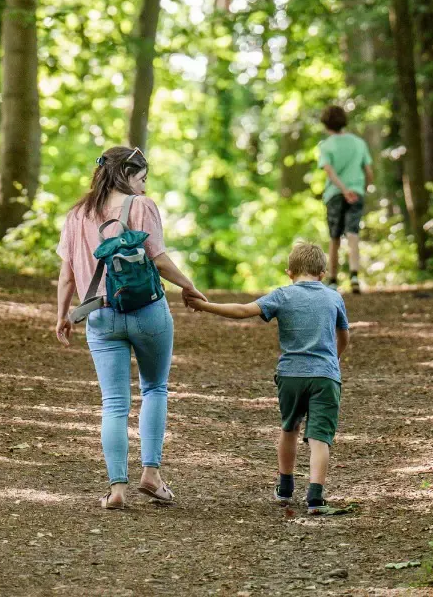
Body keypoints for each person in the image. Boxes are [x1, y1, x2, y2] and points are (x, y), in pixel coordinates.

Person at [54, 145, 204, 510]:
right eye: (142, 178)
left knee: (114, 403)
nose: (145, 186)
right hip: (148, 311)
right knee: (154, 388)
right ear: (127, 174)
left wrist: (61, 315)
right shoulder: (141, 207)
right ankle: (151, 475)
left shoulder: (77, 215)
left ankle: (117, 488)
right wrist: (188, 285)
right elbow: (159, 257)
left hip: (100, 316)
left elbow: (67, 275)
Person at [186, 241, 349, 514]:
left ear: (289, 272)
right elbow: (343, 336)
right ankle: (315, 498)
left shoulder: (282, 296)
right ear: (322, 272)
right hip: (325, 376)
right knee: (320, 437)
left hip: (290, 375)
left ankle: (285, 488)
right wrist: (334, 360)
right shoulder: (334, 297)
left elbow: (242, 311)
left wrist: (205, 306)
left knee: (290, 428)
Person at [318, 104, 374, 294]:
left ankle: (333, 280)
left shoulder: (326, 145)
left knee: (334, 237)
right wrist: (360, 190)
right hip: (356, 193)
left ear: (326, 125)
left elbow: (329, 171)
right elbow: (369, 172)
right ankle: (355, 276)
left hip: (334, 194)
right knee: (353, 233)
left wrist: (342, 190)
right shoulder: (359, 143)